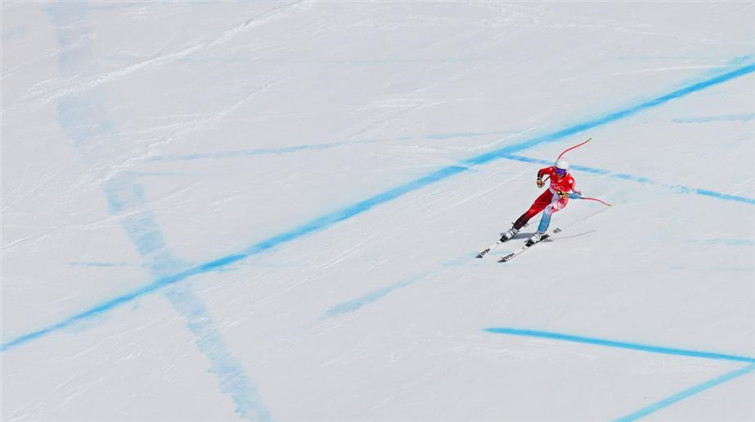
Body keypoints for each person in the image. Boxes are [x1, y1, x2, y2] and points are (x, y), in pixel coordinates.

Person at [500, 159, 581, 245]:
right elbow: (541, 171)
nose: (558, 173)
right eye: (557, 170)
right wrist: (539, 180)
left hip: (560, 200)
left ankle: (539, 234)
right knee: (531, 211)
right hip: (548, 194)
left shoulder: (570, 181)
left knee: (548, 210)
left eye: (561, 171)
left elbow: (578, 195)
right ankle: (514, 230)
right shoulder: (552, 170)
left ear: (566, 171)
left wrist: (565, 194)